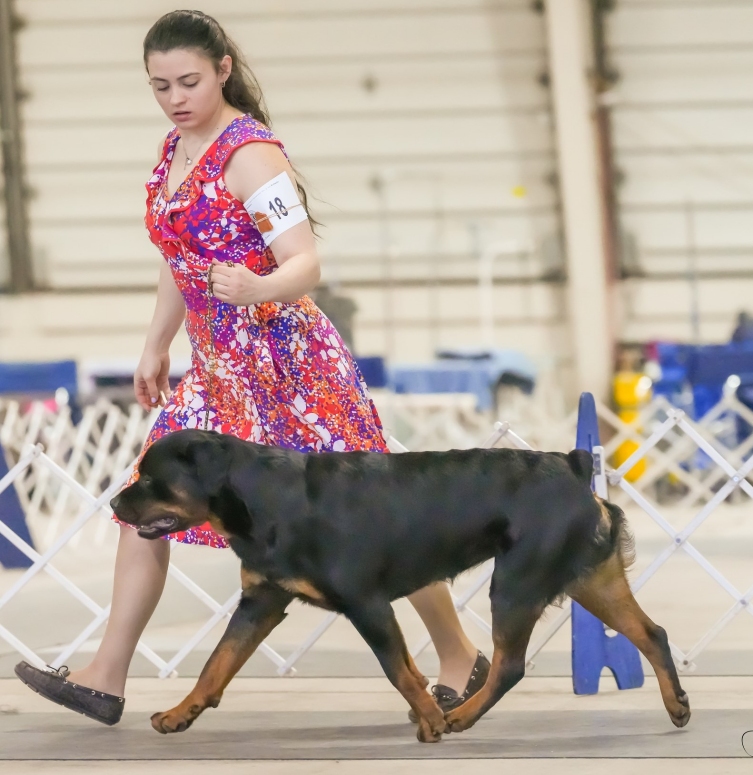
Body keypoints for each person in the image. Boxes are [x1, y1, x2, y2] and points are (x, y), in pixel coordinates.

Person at [15, 10, 487, 726]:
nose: (175, 97)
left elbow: (306, 262)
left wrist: (258, 286)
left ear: (224, 70)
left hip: (293, 368)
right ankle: (105, 675)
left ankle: (460, 653)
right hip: (216, 371)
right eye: (160, 85)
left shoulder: (251, 153)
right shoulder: (174, 150)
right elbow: (181, 258)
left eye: (189, 81)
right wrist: (155, 342)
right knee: (142, 501)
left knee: (376, 517)